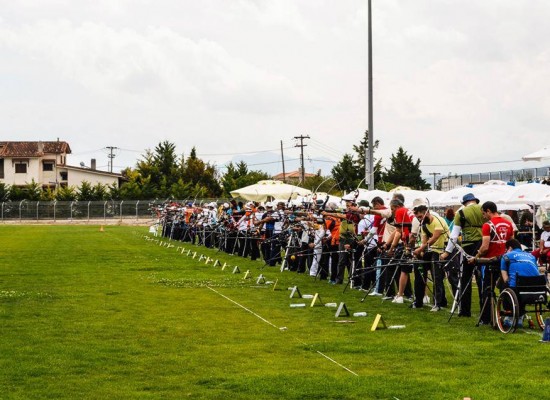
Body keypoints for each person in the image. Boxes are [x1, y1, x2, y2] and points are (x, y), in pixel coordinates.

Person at [440, 193, 484, 318]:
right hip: (483, 245)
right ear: (475, 201)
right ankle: (484, 310)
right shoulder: (483, 209)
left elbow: (454, 236)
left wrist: (447, 252)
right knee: (482, 278)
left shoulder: (461, 213)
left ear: (465, 203)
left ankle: (465, 310)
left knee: (466, 278)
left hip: (468, 246)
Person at [470, 201, 514, 325]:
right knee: (505, 287)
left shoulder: (487, 225)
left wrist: (476, 257)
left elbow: (484, 247)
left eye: (484, 213)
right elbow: (512, 243)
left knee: (487, 289)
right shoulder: (508, 223)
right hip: (505, 261)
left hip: (490, 261)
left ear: (488, 211)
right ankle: (507, 315)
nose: (484, 216)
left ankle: (486, 318)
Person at [412, 201, 450, 311]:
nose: (419, 219)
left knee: (436, 277)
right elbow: (424, 241)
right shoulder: (424, 225)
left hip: (442, 250)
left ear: (427, 213)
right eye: (417, 217)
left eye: (420, 216)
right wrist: (421, 252)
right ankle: (418, 301)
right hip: (431, 250)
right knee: (419, 270)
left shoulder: (438, 220)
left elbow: (435, 238)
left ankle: (438, 303)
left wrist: (420, 249)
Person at [500, 238, 540, 326]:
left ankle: (510, 315)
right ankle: (520, 315)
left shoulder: (506, 256)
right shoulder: (531, 256)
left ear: (509, 248)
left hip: (517, 286)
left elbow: (505, 277)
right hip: (536, 286)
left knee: (503, 286)